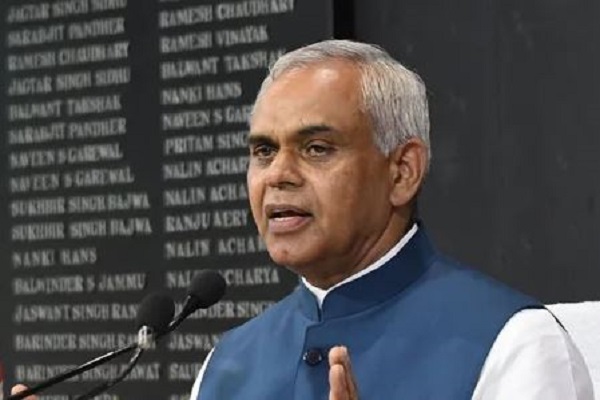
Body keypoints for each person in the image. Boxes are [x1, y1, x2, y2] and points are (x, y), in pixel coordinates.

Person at [12, 39, 594, 400]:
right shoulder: (227, 365)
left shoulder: (512, 343)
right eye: (263, 151)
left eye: (316, 148)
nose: (278, 175)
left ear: (402, 171)